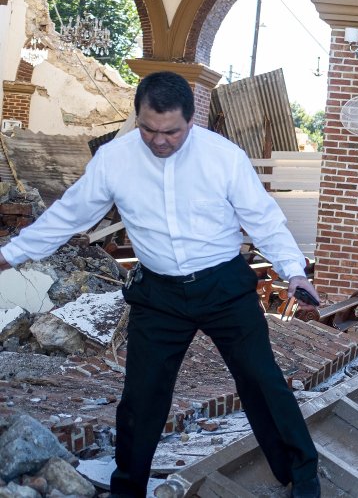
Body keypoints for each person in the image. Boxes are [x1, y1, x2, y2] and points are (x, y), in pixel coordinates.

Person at [0, 72, 323, 498]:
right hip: (158, 293)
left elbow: (263, 219)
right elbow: (70, 215)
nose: (159, 141)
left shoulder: (223, 157)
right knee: (141, 398)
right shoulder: (115, 159)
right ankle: (128, 489)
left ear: (191, 121)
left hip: (223, 286)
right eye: (149, 129)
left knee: (262, 380)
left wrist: (293, 269)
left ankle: (301, 476)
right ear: (138, 118)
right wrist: (9, 254)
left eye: (171, 131)